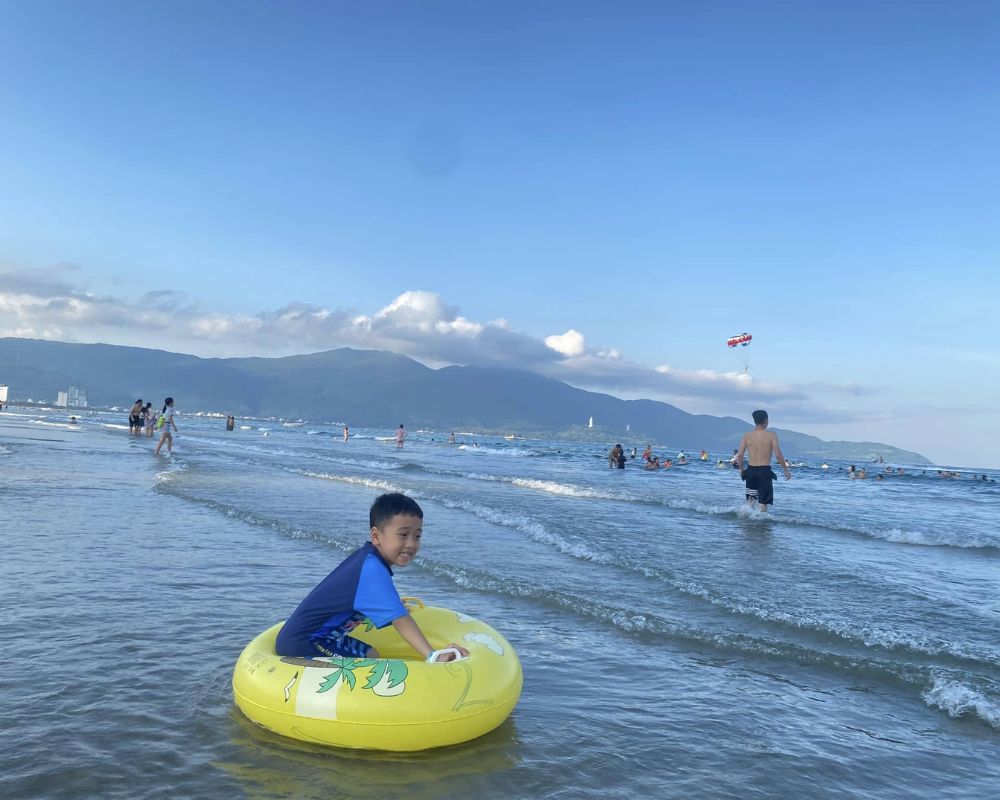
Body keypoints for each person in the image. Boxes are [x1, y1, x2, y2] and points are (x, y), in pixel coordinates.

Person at [275, 493, 470, 663]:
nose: (411, 544)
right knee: (370, 666)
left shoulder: (367, 558)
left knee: (371, 653)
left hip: (324, 637)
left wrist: (394, 604)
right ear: (376, 536)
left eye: (417, 536)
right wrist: (432, 655)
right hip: (304, 643)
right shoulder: (372, 570)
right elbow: (400, 620)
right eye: (403, 535)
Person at [734, 409, 791, 512]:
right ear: (766, 420)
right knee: (763, 503)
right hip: (764, 472)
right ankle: (762, 526)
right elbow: (778, 455)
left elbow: (740, 455)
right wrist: (785, 470)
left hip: (751, 471)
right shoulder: (771, 435)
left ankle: (746, 525)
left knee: (750, 500)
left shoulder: (747, 435)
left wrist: (741, 470)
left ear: (755, 421)